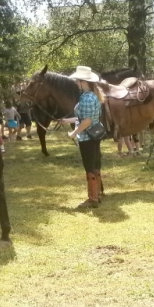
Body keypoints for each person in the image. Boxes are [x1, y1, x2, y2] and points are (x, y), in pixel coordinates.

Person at [60, 65, 104, 209]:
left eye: (77, 81)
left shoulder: (87, 98)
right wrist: (68, 121)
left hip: (87, 138)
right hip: (94, 135)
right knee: (95, 164)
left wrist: (74, 132)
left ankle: (93, 199)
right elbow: (83, 117)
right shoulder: (90, 96)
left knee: (89, 166)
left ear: (83, 82)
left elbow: (87, 121)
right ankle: (97, 194)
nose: (76, 83)